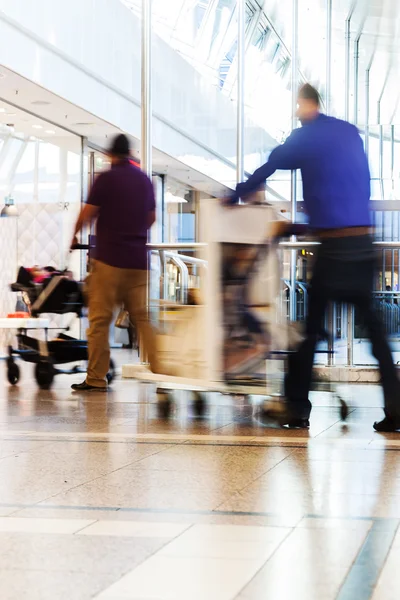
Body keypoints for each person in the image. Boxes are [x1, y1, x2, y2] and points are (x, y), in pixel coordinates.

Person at [228, 83, 400, 432]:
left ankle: (296, 409)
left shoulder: (309, 135)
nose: (296, 113)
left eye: (297, 106)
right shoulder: (349, 133)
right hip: (364, 244)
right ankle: (397, 409)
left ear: (306, 104)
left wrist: (235, 195)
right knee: (378, 335)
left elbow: (273, 163)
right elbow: (341, 186)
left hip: (334, 251)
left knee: (309, 333)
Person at [70, 133, 158, 391]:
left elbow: (87, 214)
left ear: (110, 154)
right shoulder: (145, 181)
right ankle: (163, 372)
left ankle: (96, 378)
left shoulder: (105, 179)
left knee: (99, 322)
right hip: (138, 263)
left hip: (109, 261)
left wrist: (74, 235)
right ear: (129, 154)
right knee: (142, 319)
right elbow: (151, 217)